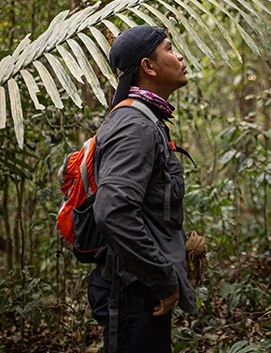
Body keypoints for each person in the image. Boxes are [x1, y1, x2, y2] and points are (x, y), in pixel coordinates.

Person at [87, 25, 196, 353]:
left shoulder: (147, 120)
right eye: (169, 49)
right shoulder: (135, 127)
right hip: (134, 294)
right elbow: (114, 212)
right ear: (148, 67)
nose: (179, 56)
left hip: (140, 290)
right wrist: (163, 279)